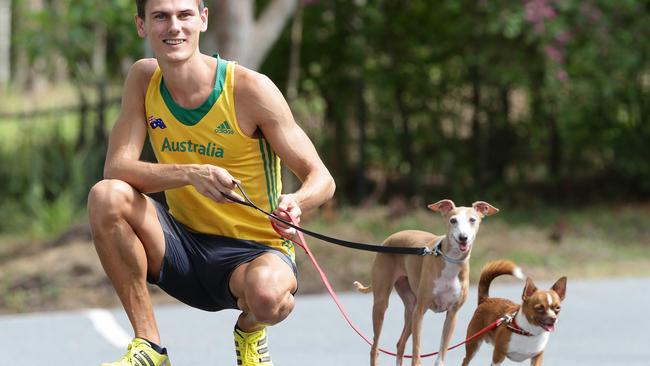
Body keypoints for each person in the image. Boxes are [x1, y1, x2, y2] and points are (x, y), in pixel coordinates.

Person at [87, 0, 335, 365]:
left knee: (267, 295)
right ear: (142, 26)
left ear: (203, 20)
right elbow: (117, 167)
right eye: (160, 17)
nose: (174, 27)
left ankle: (250, 331)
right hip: (181, 247)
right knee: (106, 195)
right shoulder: (143, 79)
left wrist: (296, 202)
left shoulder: (250, 89)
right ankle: (150, 347)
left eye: (185, 15)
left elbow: (322, 178)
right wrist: (190, 173)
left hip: (254, 254)